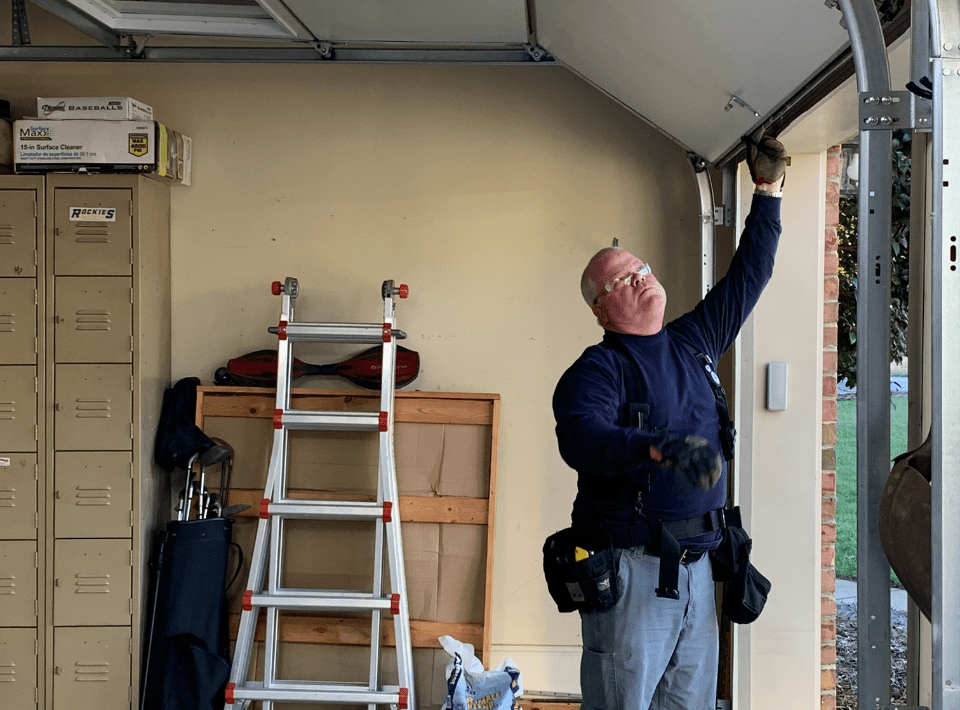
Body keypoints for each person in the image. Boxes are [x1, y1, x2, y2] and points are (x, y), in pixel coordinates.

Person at [552, 136, 787, 710]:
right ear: (601, 310)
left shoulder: (693, 340)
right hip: (632, 574)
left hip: (699, 569)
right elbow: (580, 436)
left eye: (641, 268)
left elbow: (748, 277)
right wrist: (655, 448)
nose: (640, 277)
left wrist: (768, 193)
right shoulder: (598, 370)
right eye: (621, 280)